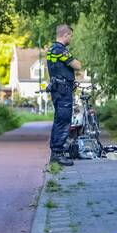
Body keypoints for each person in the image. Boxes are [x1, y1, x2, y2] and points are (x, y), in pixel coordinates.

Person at [46, 24, 82, 167]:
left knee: (58, 121)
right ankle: (57, 154)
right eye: (70, 36)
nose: (71, 39)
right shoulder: (60, 50)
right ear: (65, 35)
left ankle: (56, 151)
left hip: (58, 90)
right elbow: (77, 65)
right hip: (63, 91)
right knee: (63, 121)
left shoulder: (51, 50)